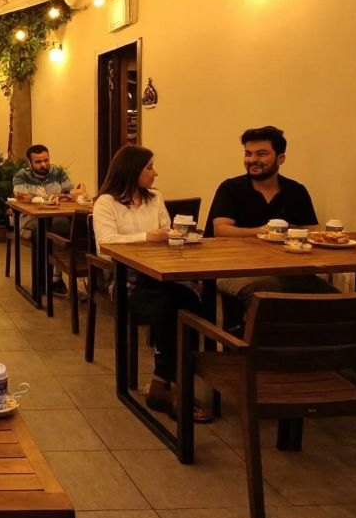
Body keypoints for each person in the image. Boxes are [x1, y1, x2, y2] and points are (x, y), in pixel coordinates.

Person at [90, 146, 209, 422]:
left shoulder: (155, 198)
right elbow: (104, 244)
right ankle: (175, 386)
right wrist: (147, 237)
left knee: (192, 303)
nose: (155, 173)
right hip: (125, 280)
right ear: (132, 170)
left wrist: (178, 236)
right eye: (149, 168)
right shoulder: (106, 203)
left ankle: (163, 380)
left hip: (160, 274)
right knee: (169, 308)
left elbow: (167, 232)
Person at [205, 126, 337, 332]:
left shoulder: (296, 190)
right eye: (248, 154)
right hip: (234, 268)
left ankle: (321, 353)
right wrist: (265, 232)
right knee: (268, 290)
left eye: (262, 153)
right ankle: (257, 352)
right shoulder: (231, 188)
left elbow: (312, 230)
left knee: (334, 300)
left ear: (280, 158)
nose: (252, 159)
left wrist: (293, 233)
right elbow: (221, 230)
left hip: (289, 269)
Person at [11, 143, 87, 296]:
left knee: (77, 228)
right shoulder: (21, 176)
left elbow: (71, 193)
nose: (43, 165)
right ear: (29, 163)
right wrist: (60, 197)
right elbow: (23, 198)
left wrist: (68, 195)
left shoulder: (58, 172)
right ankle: (43, 283)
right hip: (29, 220)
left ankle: (61, 277)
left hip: (57, 219)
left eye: (46, 160)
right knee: (44, 231)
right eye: (38, 162)